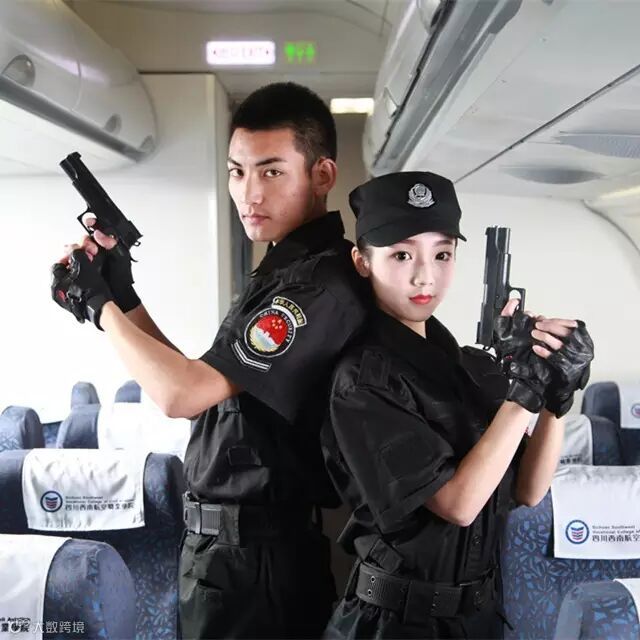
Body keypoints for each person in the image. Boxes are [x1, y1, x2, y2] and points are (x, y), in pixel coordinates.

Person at [50, 82, 368, 639]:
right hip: (232, 556)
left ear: (322, 175)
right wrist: (121, 293)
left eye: (271, 172)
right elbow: (200, 390)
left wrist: (98, 306)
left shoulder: (314, 288)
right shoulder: (282, 272)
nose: (248, 193)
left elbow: (180, 396)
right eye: (236, 172)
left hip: (259, 564)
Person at [320, 171, 594, 639]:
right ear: (362, 262)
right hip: (397, 624)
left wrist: (556, 394)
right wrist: (524, 390)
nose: (425, 275)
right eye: (402, 254)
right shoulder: (362, 381)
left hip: (478, 617)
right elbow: (459, 504)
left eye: (442, 254)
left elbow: (529, 490)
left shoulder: (469, 366)